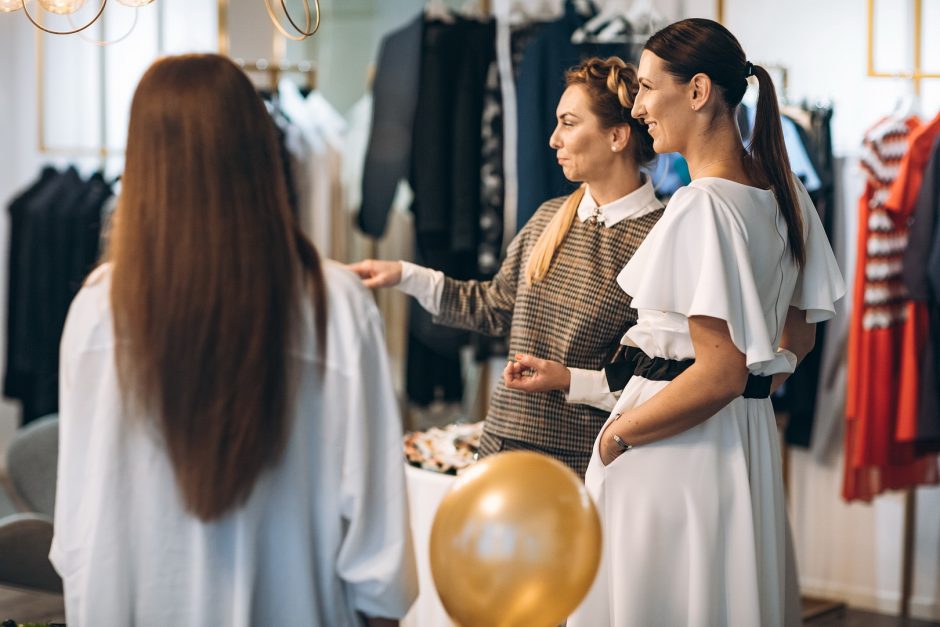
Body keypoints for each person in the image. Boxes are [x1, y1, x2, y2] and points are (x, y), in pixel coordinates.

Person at [51, 54, 418, 626]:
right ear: (260, 154)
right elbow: (378, 548)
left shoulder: (99, 312)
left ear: (142, 165)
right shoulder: (335, 305)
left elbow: (76, 529)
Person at [511, 19, 845, 627]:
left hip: (675, 450)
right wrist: (753, 390)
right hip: (740, 441)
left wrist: (619, 434)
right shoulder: (784, 192)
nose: (637, 108)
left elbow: (718, 372)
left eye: (644, 88)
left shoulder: (702, 204)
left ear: (697, 92)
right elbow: (796, 338)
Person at [349, 57, 662, 478]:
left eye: (568, 123)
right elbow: (495, 307)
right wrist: (404, 275)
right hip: (501, 447)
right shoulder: (550, 217)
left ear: (617, 136)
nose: (553, 140)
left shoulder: (658, 239)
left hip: (582, 466)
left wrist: (567, 379)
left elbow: (656, 381)